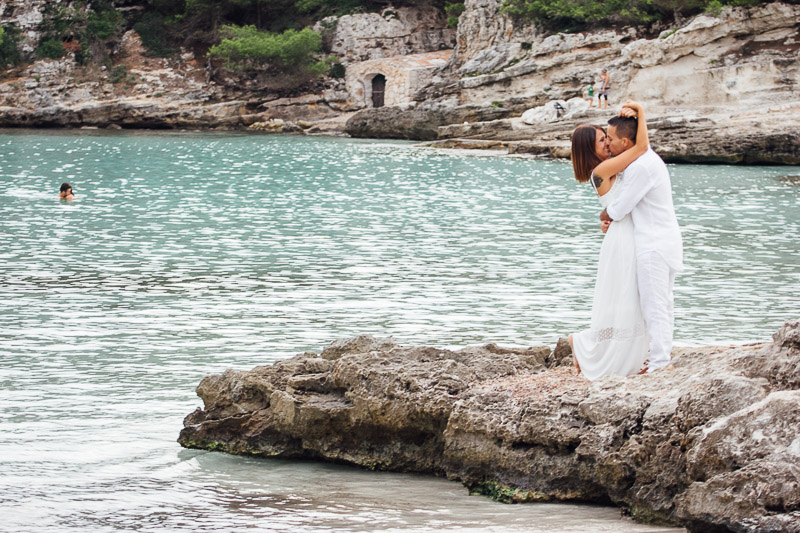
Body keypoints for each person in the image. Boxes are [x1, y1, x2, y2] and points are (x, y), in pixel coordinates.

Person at [568, 101, 651, 381]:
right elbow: (639, 148)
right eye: (601, 140)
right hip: (623, 240)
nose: (607, 142)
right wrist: (641, 114)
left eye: (607, 137)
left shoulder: (612, 167)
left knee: (632, 297)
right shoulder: (600, 171)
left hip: (627, 234)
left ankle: (637, 355)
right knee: (627, 297)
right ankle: (583, 344)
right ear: (589, 149)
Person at [600, 111, 683, 374]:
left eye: (610, 138)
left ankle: (659, 363)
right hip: (660, 240)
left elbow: (621, 207)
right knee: (660, 302)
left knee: (655, 304)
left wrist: (604, 215)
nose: (608, 144)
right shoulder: (644, 160)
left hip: (653, 243)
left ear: (625, 143)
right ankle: (656, 356)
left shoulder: (641, 166)